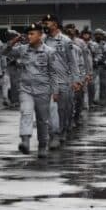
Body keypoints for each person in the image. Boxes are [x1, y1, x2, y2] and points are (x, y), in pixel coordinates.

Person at [3, 24, 55, 158]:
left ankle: (42, 145)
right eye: (28, 34)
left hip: (43, 90)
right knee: (26, 112)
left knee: (42, 120)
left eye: (33, 34)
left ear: (40, 35)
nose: (29, 36)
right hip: (26, 89)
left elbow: (54, 73)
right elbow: (3, 51)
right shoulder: (22, 49)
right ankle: (25, 141)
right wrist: (15, 40)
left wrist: (56, 91)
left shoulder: (49, 51)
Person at [41, 15, 81, 150]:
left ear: (55, 24)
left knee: (63, 109)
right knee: (50, 111)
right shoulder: (42, 40)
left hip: (63, 81)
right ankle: (54, 135)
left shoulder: (65, 41)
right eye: (44, 23)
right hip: (47, 81)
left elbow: (73, 62)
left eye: (48, 23)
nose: (45, 25)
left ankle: (63, 130)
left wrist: (76, 80)